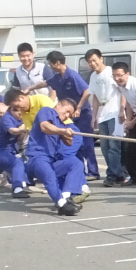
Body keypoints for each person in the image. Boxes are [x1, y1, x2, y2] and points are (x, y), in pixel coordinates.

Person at [25, 98, 87, 216]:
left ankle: (65, 197)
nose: (67, 115)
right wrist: (62, 131)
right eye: (67, 111)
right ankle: (62, 205)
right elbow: (44, 127)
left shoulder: (62, 124)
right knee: (49, 175)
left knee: (76, 164)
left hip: (51, 160)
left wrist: (68, 134)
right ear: (59, 105)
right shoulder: (47, 111)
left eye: (70, 114)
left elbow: (69, 143)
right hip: (36, 158)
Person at [45, 50, 99, 180]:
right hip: (69, 117)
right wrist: (29, 89)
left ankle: (93, 172)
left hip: (82, 114)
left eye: (51, 64)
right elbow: (46, 83)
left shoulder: (72, 75)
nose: (50, 67)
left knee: (86, 143)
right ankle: (79, 171)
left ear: (57, 63)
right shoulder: (58, 77)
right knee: (74, 143)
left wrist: (78, 107)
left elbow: (86, 91)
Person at [80, 49, 128, 187]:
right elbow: (95, 96)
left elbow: (122, 90)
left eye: (94, 60)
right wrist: (94, 116)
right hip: (103, 115)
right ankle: (119, 174)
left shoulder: (111, 72)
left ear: (101, 59)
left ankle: (112, 175)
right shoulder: (93, 76)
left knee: (114, 146)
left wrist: (122, 110)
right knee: (105, 147)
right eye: (89, 62)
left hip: (114, 113)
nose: (92, 63)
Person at [0, 93, 29, 197]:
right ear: (12, 109)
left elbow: (19, 137)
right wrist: (26, 127)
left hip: (8, 151)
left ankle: (20, 183)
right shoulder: (6, 118)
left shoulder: (20, 118)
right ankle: (17, 189)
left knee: (22, 165)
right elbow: (13, 131)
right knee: (17, 163)